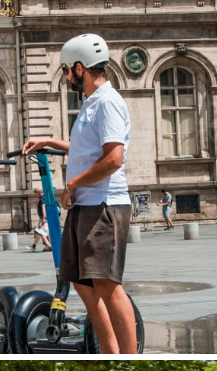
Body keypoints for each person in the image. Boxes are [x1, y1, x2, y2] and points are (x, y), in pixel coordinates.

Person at [22, 33, 137, 354]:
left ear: (79, 67)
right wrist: (50, 142)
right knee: (82, 283)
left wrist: (74, 184)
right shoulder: (91, 104)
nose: (65, 76)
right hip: (86, 206)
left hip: (104, 205)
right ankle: (110, 353)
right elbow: (87, 150)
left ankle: (129, 358)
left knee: (108, 285)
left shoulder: (108, 102)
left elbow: (113, 158)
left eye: (65, 71)